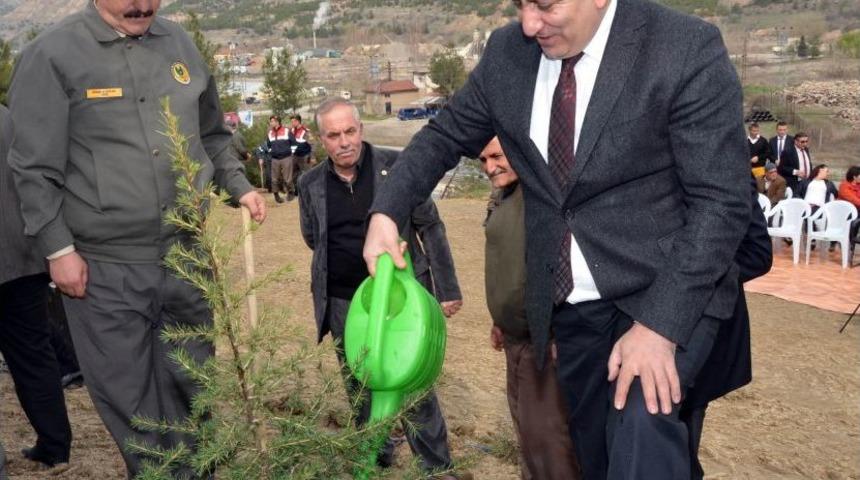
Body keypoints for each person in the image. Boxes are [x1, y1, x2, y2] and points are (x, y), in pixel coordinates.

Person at [362, 0, 751, 477]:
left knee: (641, 426)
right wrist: (386, 212)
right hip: (573, 309)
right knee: (596, 459)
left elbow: (721, 203)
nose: (529, 23)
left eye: (545, 5)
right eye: (522, 4)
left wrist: (659, 329)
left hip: (667, 291)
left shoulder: (682, 47)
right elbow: (443, 137)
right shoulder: (510, 52)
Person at [7, 1, 267, 477]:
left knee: (194, 388)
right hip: (103, 267)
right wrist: (58, 249)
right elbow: (33, 167)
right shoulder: (52, 55)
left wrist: (239, 185)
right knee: (132, 403)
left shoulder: (181, 45)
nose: (141, 5)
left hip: (186, 256)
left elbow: (212, 134)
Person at [297, 98, 462, 478]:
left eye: (350, 131)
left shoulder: (398, 166)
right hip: (344, 301)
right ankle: (378, 450)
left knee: (413, 382)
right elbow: (313, 236)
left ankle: (436, 466)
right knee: (358, 382)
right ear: (322, 139)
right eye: (334, 135)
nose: (344, 142)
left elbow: (430, 226)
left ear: (361, 130)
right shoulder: (309, 184)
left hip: (398, 299)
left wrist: (447, 287)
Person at [480, 137, 581, 480]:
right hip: (513, 337)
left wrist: (557, 327)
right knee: (527, 434)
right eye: (482, 159)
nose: (489, 166)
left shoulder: (543, 195)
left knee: (551, 445)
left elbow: (563, 266)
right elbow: (505, 264)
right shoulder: (502, 197)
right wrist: (499, 320)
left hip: (543, 341)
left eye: (496, 156)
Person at [680, 178, 772, 480]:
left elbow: (758, 255)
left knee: (683, 441)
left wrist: (693, 280)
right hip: (631, 327)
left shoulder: (725, 168)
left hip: (703, 328)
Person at [1, 105, 73, 470]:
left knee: (34, 355)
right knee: (34, 357)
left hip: (19, 258)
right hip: (22, 256)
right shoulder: (13, 118)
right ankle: (56, 445)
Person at [777, 132, 812, 196]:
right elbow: (781, 168)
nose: (805, 144)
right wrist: (795, 172)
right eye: (802, 142)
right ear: (796, 141)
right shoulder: (788, 151)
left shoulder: (806, 149)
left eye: (806, 141)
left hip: (807, 182)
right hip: (795, 183)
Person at [267, 115, 291, 203]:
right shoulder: (270, 132)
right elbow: (268, 145)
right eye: (271, 121)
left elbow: (293, 142)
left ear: (278, 122)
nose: (271, 123)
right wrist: (272, 152)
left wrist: (289, 152)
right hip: (275, 159)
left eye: (273, 121)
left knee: (287, 178)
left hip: (286, 157)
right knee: (274, 179)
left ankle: (290, 193)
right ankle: (276, 195)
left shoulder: (286, 130)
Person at [287, 113, 312, 197]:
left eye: (293, 121)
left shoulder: (306, 131)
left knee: (306, 174)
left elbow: (312, 144)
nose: (292, 123)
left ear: (298, 121)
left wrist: (311, 156)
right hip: (294, 156)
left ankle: (307, 192)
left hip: (304, 156)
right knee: (293, 174)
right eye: (291, 122)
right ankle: (296, 191)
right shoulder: (292, 131)